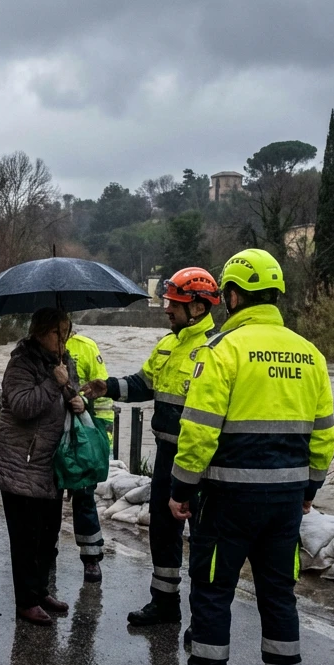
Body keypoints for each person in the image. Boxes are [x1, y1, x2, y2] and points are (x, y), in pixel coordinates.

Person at [161, 249, 334, 665]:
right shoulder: (310, 354)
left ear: (233, 296)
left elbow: (198, 431)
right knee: (279, 596)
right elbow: (324, 435)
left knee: (213, 595)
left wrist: (181, 489)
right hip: (284, 505)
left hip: (227, 501)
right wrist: (310, 488)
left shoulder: (222, 350)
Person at [81, 266, 221, 627]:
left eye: (173, 303)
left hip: (205, 461)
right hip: (166, 456)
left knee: (205, 540)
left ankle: (203, 621)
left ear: (199, 308)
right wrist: (106, 387)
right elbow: (143, 385)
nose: (166, 309)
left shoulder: (216, 350)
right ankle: (164, 603)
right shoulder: (167, 345)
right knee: (162, 530)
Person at [0, 307, 84, 626]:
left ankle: (41, 591)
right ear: (40, 332)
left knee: (48, 534)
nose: (64, 338)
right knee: (25, 538)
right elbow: (23, 406)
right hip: (20, 463)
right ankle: (26, 601)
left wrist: (77, 397)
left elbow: (71, 391)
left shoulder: (64, 361)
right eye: (58, 332)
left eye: (67, 331)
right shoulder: (21, 362)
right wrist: (54, 385)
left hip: (50, 464)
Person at [65, 328, 114, 583]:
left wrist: (104, 435)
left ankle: (92, 558)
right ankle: (45, 554)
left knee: (84, 496)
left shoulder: (85, 347)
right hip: (50, 435)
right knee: (46, 501)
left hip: (82, 434)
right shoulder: (35, 348)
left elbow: (102, 392)